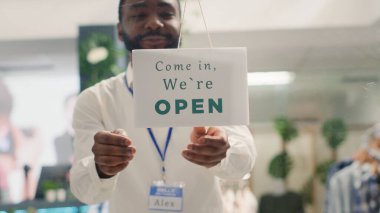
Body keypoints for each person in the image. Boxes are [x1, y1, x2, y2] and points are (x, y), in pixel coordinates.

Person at [69, 0, 256, 212]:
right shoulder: (95, 101)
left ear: (180, 24)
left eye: (166, 14)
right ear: (120, 30)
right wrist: (101, 168)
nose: (154, 23)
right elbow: (84, 191)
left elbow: (245, 162)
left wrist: (224, 151)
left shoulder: (210, 81)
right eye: (139, 15)